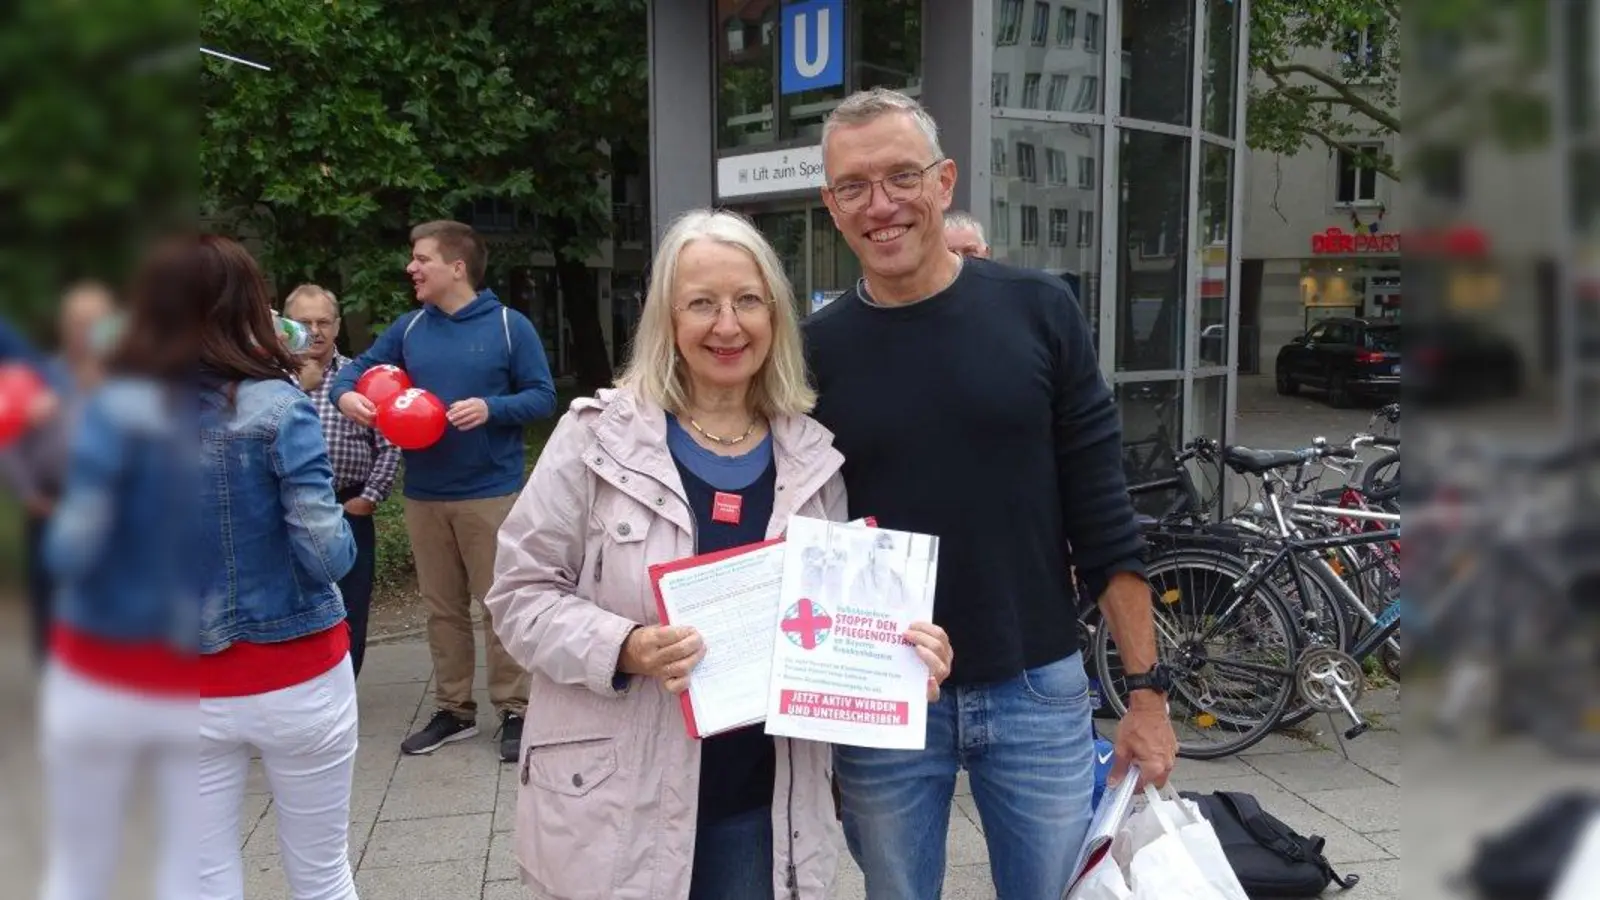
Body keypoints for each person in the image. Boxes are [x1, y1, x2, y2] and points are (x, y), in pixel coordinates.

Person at [482, 209, 954, 900]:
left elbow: (835, 627)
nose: (727, 326)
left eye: (747, 301)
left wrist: (901, 660)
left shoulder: (815, 460)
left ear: (775, 317)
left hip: (761, 811)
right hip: (619, 811)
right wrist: (627, 645)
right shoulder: (595, 442)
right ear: (667, 322)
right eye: (701, 303)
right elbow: (517, 598)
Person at [803, 87, 1179, 900]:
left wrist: (1146, 693)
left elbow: (1104, 516)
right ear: (830, 207)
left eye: (901, 177)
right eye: (853, 187)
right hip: (884, 691)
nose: (881, 205)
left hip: (1036, 682)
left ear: (944, 182)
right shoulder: (811, 353)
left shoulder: (1040, 309)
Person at [331, 220, 557, 762]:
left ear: (456, 267)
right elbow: (355, 372)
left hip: (490, 493)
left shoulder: (509, 325)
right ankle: (453, 709)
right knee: (442, 609)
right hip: (424, 494)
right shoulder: (409, 329)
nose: (412, 267)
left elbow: (544, 397)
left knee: (500, 606)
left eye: (421, 258)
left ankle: (517, 710)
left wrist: (491, 408)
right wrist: (346, 397)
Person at [183, 235, 362, 900]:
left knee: (201, 878)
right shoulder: (278, 406)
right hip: (299, 673)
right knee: (320, 875)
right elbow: (326, 556)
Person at [34, 269, 193, 900]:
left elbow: (70, 551)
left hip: (97, 669)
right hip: (187, 680)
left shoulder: (109, 413)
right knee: (188, 866)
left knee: (80, 869)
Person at [283, 283, 402, 678]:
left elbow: (390, 443)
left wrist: (370, 498)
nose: (315, 331)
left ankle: (344, 686)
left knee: (351, 605)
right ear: (286, 326)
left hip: (346, 507)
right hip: (281, 509)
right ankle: (296, 685)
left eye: (323, 322)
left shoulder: (359, 379)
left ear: (336, 326)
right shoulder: (269, 379)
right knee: (288, 602)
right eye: (304, 322)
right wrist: (300, 387)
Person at [1, 281, 115, 664]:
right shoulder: (39, 375)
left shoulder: (125, 383)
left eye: (95, 321)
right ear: (64, 326)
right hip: (50, 506)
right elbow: (8, 436)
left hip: (108, 510)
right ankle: (52, 678)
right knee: (49, 609)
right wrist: (28, 492)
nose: (85, 330)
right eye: (78, 321)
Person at [848, 531, 910, 610]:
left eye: (890, 547)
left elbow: (909, 608)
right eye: (881, 546)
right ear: (874, 550)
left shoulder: (900, 580)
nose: (886, 551)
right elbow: (853, 604)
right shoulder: (861, 576)